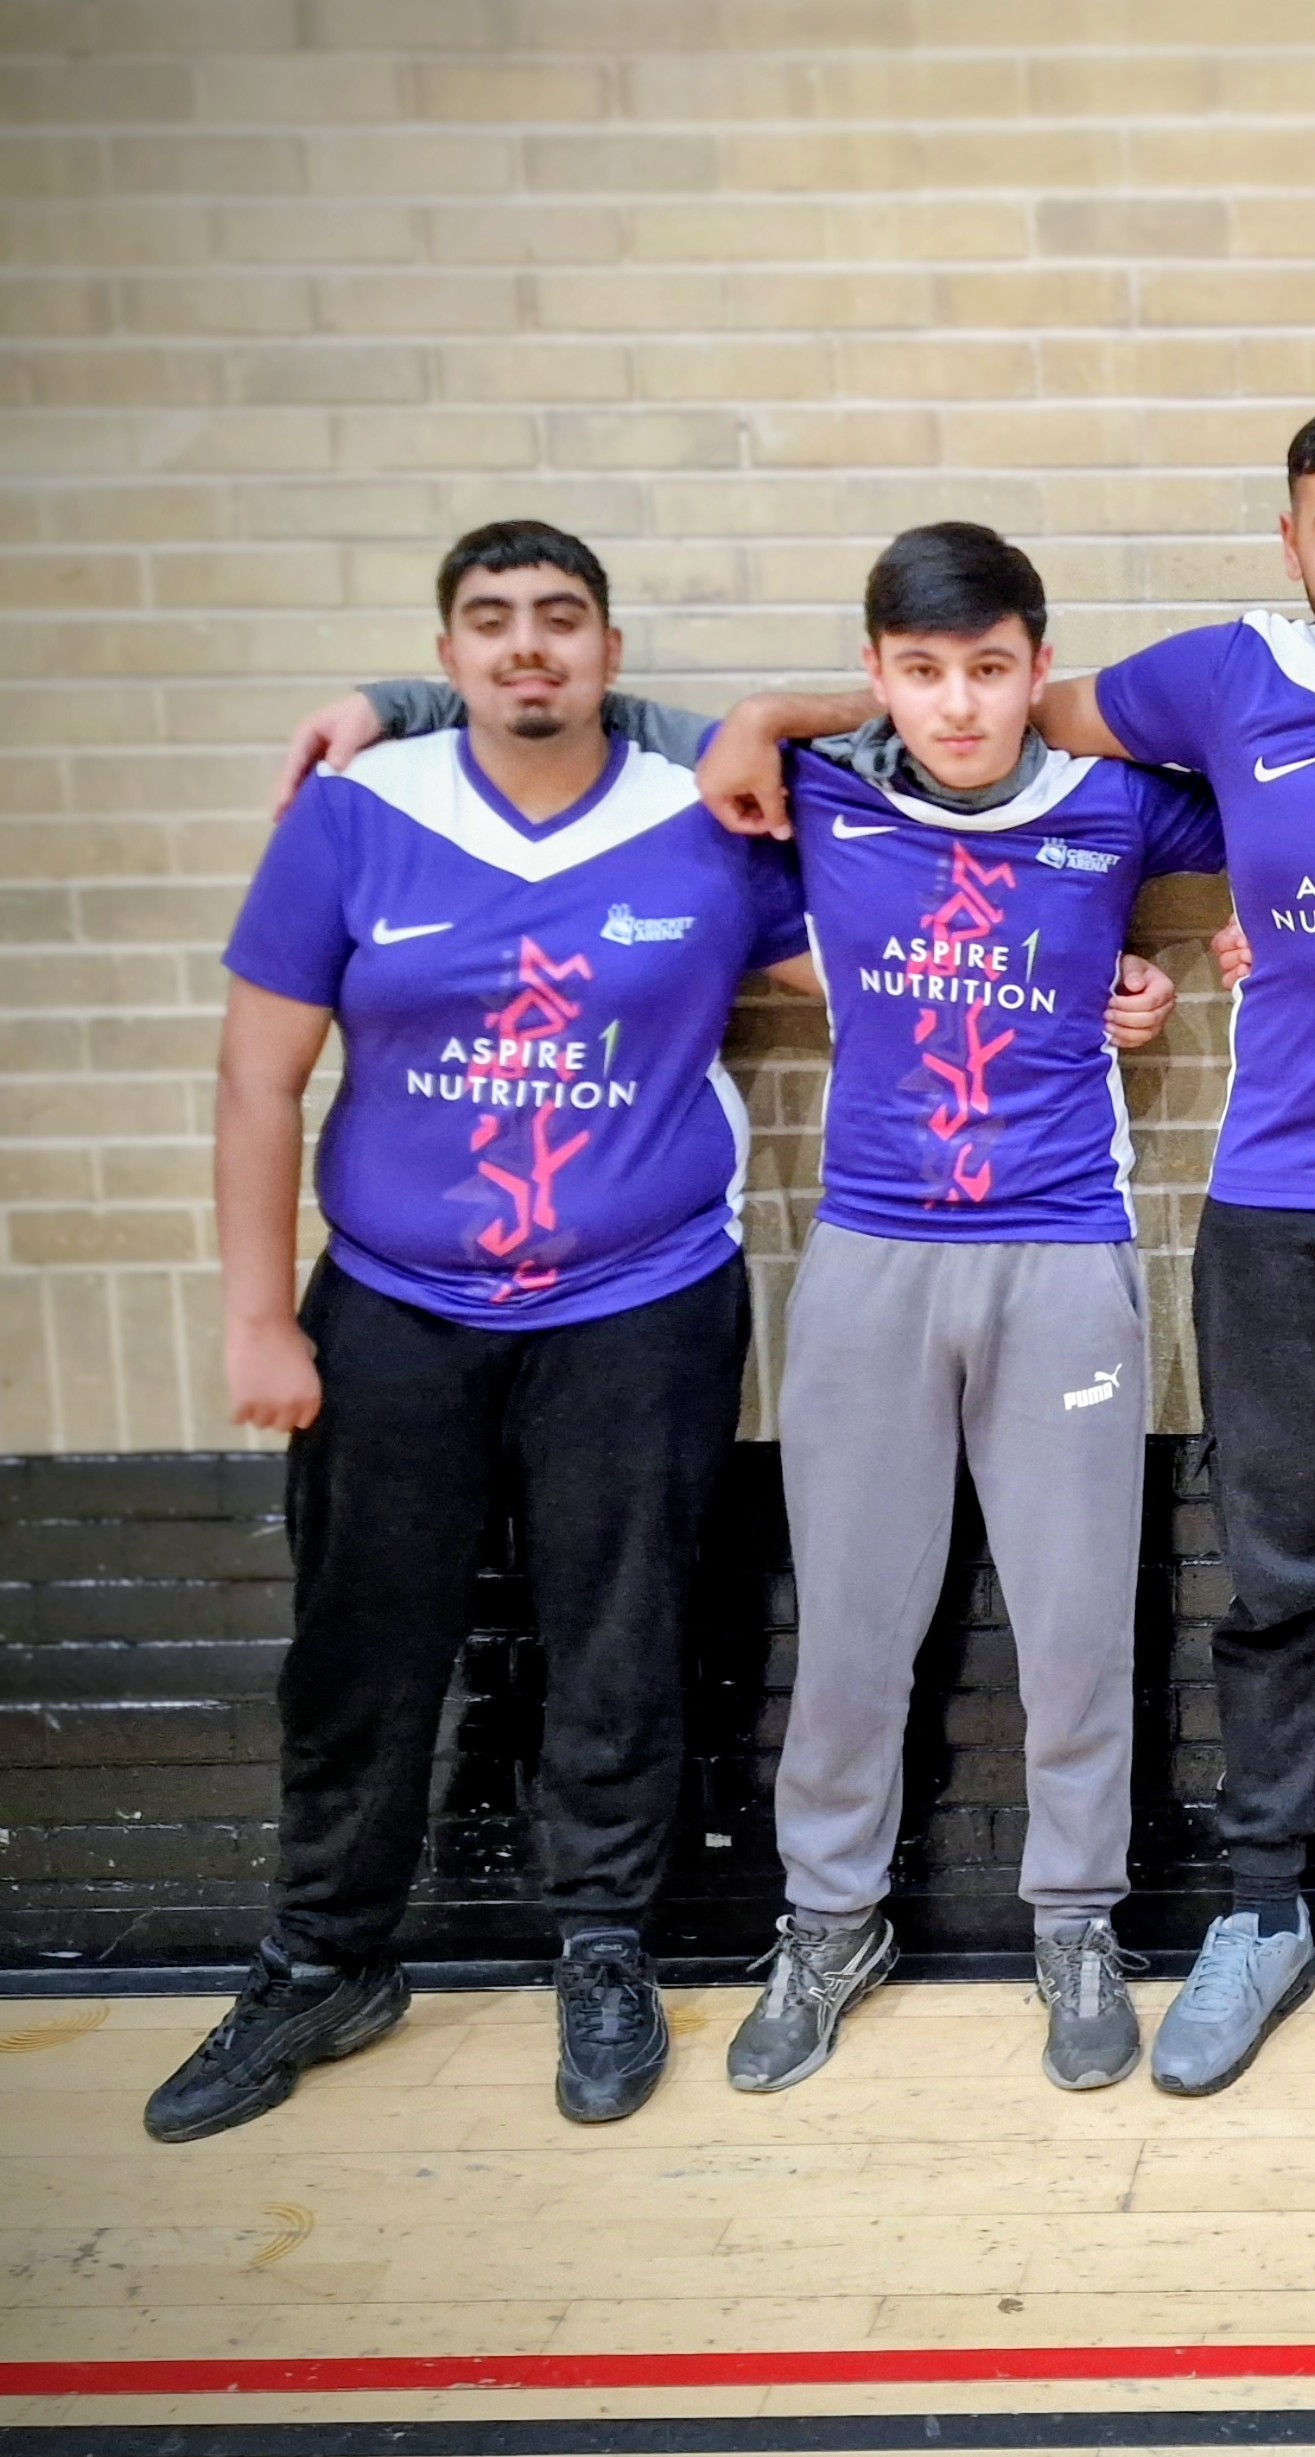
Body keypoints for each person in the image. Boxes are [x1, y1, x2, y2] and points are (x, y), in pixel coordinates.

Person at [694, 400, 1315, 2100]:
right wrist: (774, 710)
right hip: (1275, 1211)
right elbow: (986, 701)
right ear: (1294, 541)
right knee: (1276, 1590)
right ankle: (1261, 1913)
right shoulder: (1212, 676)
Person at [282, 525, 1193, 2097]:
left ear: (1038, 668)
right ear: (875, 678)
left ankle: (1078, 1922)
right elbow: (596, 724)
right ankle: (832, 1921)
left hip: (1061, 1251)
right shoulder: (817, 788)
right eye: (921, 672)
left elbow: (1304, 781)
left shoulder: (1114, 805)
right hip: (864, 1256)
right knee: (849, 1627)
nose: (960, 706)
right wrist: (389, 700)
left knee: (1073, 1628)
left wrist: (1201, 957)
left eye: (989, 670)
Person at [149, 522, 809, 2141]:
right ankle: (324, 1954)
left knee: (621, 1636)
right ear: (443, 656)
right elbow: (257, 1077)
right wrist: (257, 1315)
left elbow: (881, 960)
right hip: (390, 1308)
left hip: (641, 1304)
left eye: (562, 621)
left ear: (610, 649)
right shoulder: (358, 818)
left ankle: (602, 1946)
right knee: (362, 1648)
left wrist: (1098, 1001)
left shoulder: (709, 822)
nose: (530, 649)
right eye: (493, 623)